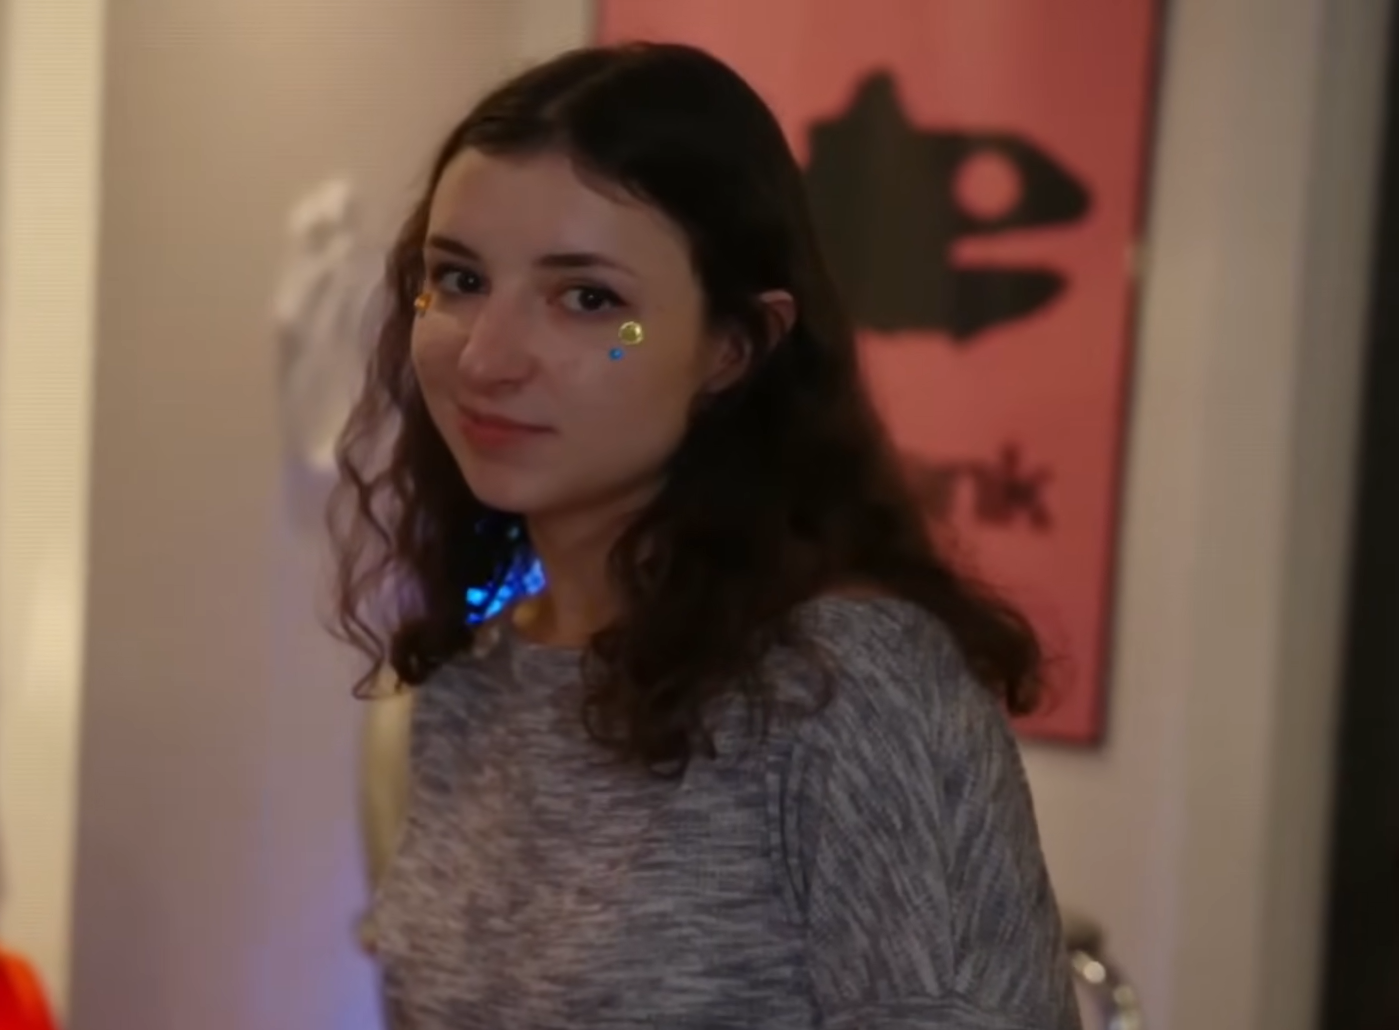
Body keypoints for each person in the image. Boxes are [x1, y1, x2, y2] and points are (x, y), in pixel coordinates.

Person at [331, 41, 1080, 1030]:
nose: (486, 356)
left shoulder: (851, 690)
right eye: (458, 279)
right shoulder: (461, 691)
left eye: (589, 299)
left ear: (733, 347)